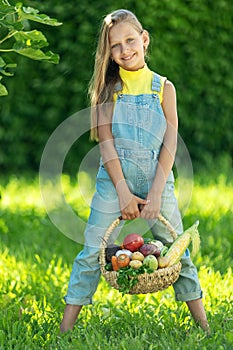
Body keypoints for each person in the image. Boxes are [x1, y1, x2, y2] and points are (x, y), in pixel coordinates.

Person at [60, 9, 209, 333]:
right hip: (114, 184)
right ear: (109, 53)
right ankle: (64, 332)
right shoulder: (108, 91)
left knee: (178, 251)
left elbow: (170, 142)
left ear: (144, 39)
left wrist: (156, 193)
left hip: (159, 180)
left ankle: (205, 328)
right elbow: (107, 145)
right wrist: (124, 192)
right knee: (92, 252)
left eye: (130, 40)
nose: (125, 49)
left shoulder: (163, 89)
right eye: (115, 45)